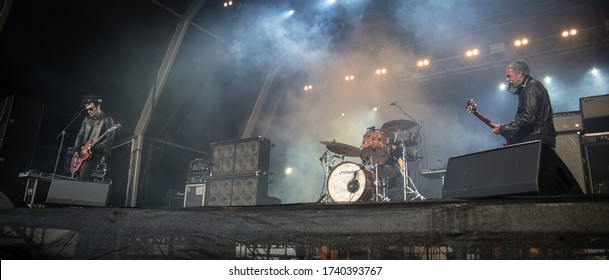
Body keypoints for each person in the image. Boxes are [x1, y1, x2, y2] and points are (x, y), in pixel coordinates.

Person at [491, 60, 557, 148]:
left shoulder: (531, 88)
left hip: (538, 136)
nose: (507, 80)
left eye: (509, 76)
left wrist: (503, 128)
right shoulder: (528, 87)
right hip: (538, 135)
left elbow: (528, 117)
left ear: (519, 74)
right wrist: (504, 128)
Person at [72, 95, 116, 181]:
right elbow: (80, 135)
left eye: (91, 109)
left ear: (98, 106)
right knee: (77, 178)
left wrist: (96, 148)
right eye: (88, 109)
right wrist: (76, 148)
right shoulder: (87, 119)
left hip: (96, 154)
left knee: (83, 177)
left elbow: (109, 140)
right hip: (83, 152)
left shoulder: (107, 120)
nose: (89, 111)